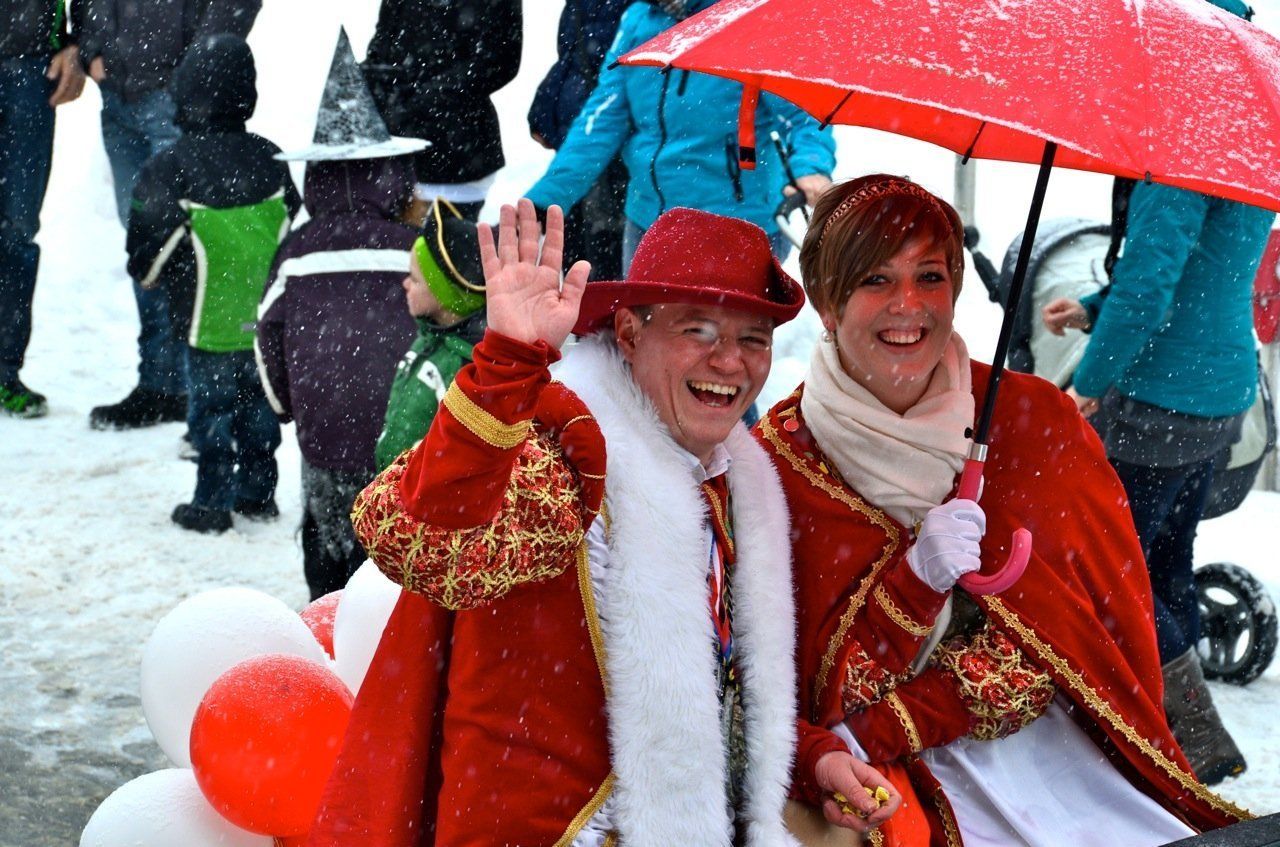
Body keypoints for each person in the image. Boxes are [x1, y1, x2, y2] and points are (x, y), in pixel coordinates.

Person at [303, 201, 898, 846]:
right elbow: (426, 545)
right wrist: (506, 366)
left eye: (753, 338)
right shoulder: (567, 449)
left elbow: (702, 689)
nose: (730, 361)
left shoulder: (731, 480)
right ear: (630, 334)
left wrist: (809, 759)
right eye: (698, 330)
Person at [761, 175, 1250, 846]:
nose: (908, 306)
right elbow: (812, 692)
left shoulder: (1031, 421)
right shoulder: (779, 462)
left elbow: (1064, 647)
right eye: (875, 279)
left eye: (930, 277)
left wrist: (891, 721)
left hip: (1052, 757)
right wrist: (915, 586)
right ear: (824, 301)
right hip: (866, 774)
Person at [256, 29, 423, 599]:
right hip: (403, 437)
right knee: (397, 563)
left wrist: (288, 406)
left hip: (325, 434)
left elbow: (267, 335)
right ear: (394, 175)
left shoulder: (297, 253)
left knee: (329, 549)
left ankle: (328, 624)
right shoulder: (417, 251)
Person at [126, 34, 298, 533]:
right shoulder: (271, 157)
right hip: (263, 322)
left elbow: (148, 247)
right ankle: (258, 493)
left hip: (207, 323)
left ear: (183, 93)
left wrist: (150, 272)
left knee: (212, 413)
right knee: (260, 412)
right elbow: (293, 225)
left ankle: (211, 503)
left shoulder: (170, 166)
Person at [525, 0, 835, 272]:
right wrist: (545, 200)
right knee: (643, 322)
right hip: (648, 222)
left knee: (722, 324)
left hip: (736, 225)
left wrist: (811, 168)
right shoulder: (638, 19)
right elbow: (599, 123)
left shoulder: (755, 19)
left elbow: (805, 115)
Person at [81, 0, 262, 430]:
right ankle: (162, 385)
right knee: (148, 241)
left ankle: (212, 402)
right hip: (117, 97)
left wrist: (195, 69)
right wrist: (91, 48)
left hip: (177, 97)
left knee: (202, 239)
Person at [361, 0, 521, 224]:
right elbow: (383, 46)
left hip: (456, 150)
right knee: (391, 242)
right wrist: (367, 80)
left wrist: (430, 95)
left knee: (444, 241)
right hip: (395, 151)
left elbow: (499, 60)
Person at [1, 0, 85, 418]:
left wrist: (77, 43)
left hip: (30, 67)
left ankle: (4, 372)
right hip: (27, 67)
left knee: (17, 230)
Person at [373, 200, 486, 473]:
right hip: (394, 485)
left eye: (415, 279)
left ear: (444, 295)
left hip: (419, 492)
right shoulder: (430, 336)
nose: (405, 283)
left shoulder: (465, 368)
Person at [527, 0, 631, 280]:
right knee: (575, 263)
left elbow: (614, 89)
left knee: (601, 268)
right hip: (576, 152)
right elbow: (571, 59)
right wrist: (545, 111)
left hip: (611, 162)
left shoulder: (641, 13)